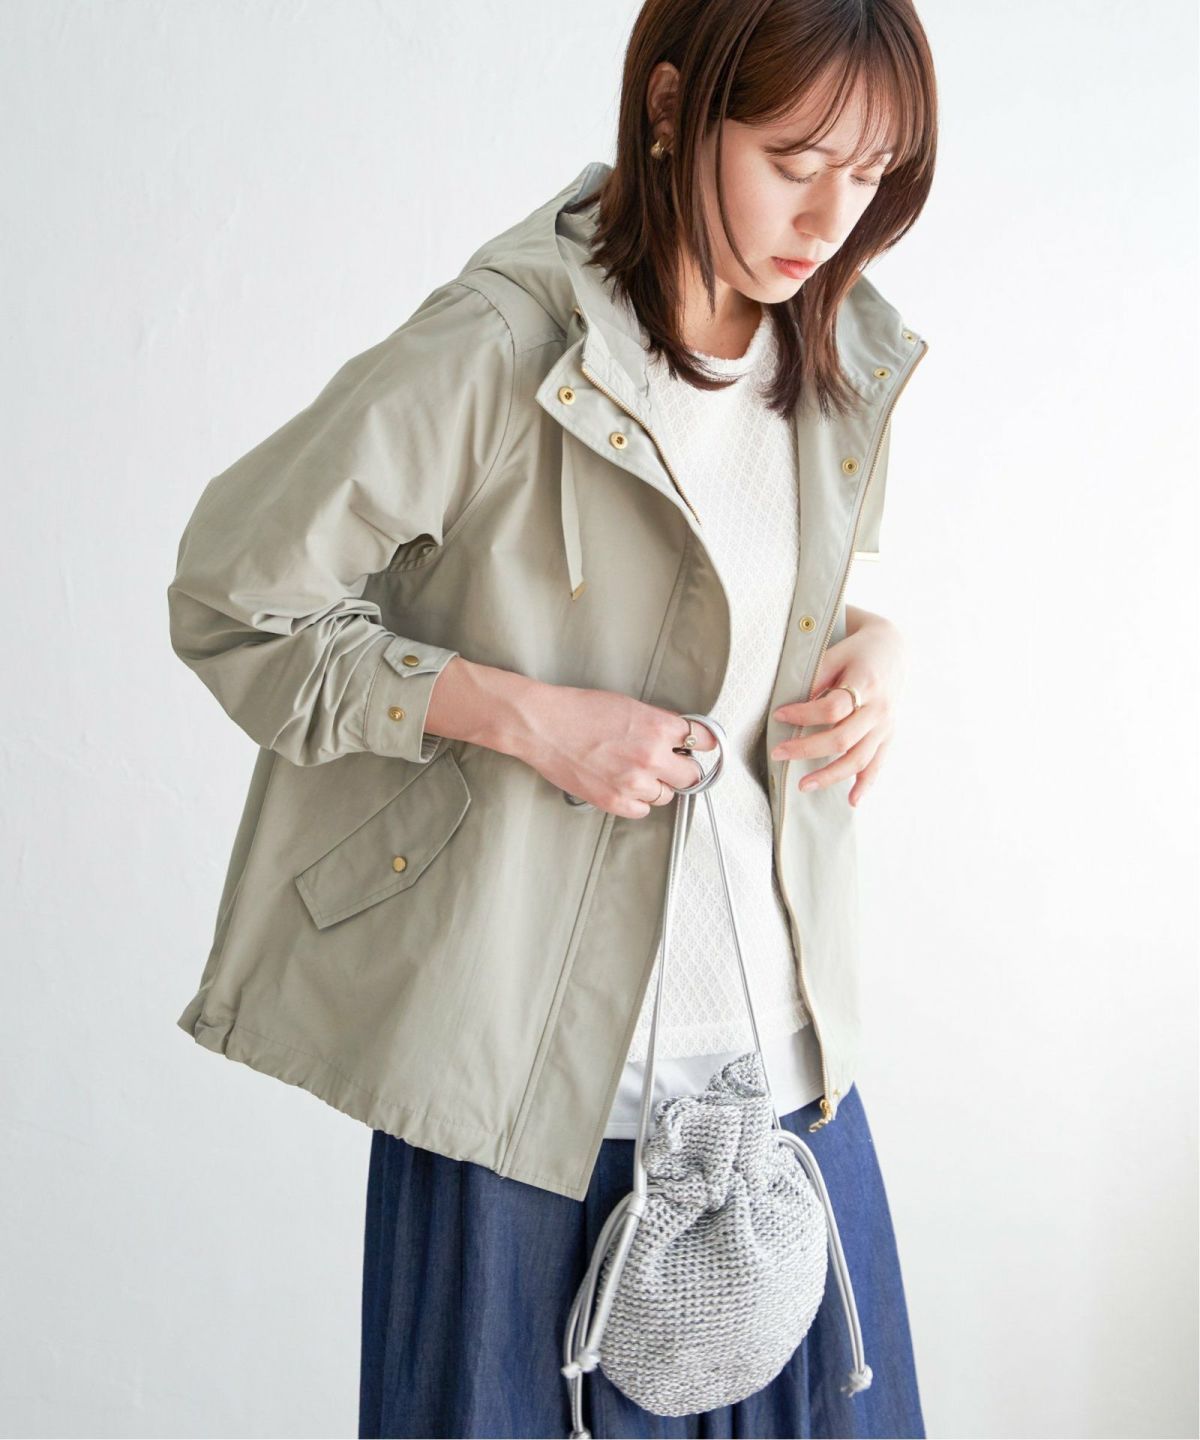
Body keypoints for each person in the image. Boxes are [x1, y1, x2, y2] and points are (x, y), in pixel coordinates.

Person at [167, 1, 937, 1435]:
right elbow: (235, 599)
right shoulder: (502, 345)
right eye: (794, 160)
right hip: (531, 1106)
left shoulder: (840, 351)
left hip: (784, 1085)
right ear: (671, 108)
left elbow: (799, 599)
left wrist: (879, 650)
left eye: (873, 172)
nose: (833, 218)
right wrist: (522, 716)